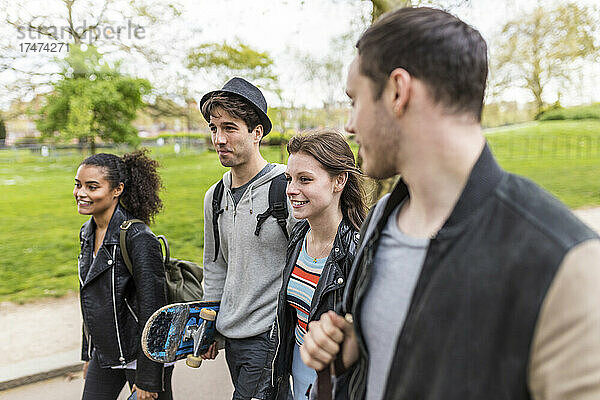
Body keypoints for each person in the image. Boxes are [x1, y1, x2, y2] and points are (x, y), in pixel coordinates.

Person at [300, 7, 600, 400]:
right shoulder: (378, 221)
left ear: (397, 92)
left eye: (354, 101)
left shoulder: (567, 262)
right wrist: (356, 350)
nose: (350, 125)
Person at [200, 77, 297, 400]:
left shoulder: (286, 187)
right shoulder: (214, 197)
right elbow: (215, 267)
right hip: (233, 334)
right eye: (214, 128)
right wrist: (209, 323)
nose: (219, 139)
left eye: (230, 128)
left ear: (257, 133)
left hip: (270, 334)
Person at [272, 130, 366, 399]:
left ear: (339, 181)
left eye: (305, 180)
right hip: (297, 372)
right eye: (289, 179)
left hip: (335, 382)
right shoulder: (299, 235)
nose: (291, 190)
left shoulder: (357, 251)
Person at [74, 150, 172, 400]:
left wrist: (149, 377)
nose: (81, 193)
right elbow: (92, 299)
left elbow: (154, 310)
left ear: (117, 189)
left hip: (141, 356)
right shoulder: (87, 233)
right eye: (78, 185)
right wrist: (89, 354)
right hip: (106, 353)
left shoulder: (138, 238)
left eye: (92, 186)